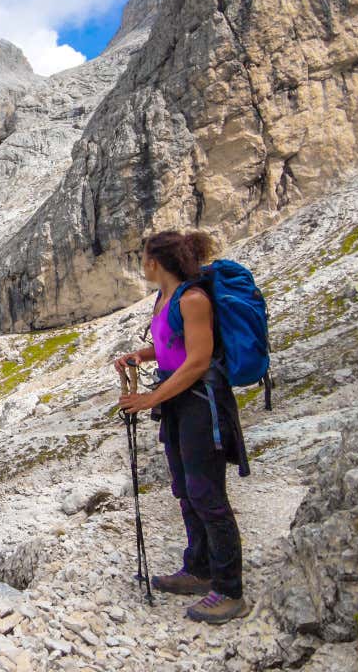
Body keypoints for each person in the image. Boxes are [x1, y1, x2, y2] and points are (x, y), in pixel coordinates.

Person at [113, 230, 251, 624]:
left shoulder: (193, 299)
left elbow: (198, 361)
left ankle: (229, 589)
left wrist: (149, 399)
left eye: (144, 257)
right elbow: (173, 346)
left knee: (207, 493)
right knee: (186, 489)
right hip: (177, 404)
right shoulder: (165, 299)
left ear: (155, 262)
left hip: (202, 405)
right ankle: (199, 568)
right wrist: (142, 355)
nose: (142, 264)